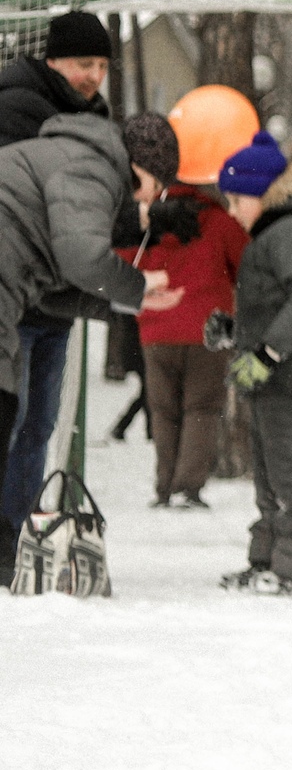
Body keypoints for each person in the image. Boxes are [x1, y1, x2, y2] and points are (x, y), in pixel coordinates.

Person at [0, 111, 183, 553]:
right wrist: (138, 285)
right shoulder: (95, 164)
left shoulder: (89, 164)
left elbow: (54, 292)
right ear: (146, 169)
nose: (155, 199)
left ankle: (8, 544)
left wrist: (131, 300)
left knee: (10, 411)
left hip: (14, 282)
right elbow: (83, 259)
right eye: (159, 186)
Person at [0, 11, 115, 542]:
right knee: (12, 416)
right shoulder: (18, 107)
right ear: (52, 61)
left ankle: (17, 533)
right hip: (18, 297)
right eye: (81, 63)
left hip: (58, 304)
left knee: (41, 426)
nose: (91, 75)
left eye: (100, 65)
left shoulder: (94, 119)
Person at [213, 132, 292, 597]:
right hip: (279, 378)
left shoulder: (291, 230)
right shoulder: (279, 231)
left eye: (235, 199)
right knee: (270, 478)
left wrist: (265, 355)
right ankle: (269, 560)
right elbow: (276, 305)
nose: (232, 211)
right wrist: (234, 331)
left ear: (263, 190)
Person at [119, 165, 248, 508]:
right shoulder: (220, 221)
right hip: (209, 331)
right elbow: (245, 265)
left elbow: (123, 263)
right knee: (202, 409)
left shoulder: (149, 225)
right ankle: (187, 487)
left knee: (163, 411)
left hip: (156, 330)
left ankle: (164, 486)